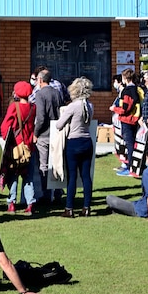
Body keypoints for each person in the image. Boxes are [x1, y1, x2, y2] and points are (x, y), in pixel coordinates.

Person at [56, 76, 95, 217]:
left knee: (72, 176)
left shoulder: (72, 106)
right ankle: (86, 207)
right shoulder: (90, 105)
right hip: (87, 142)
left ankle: (69, 208)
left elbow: (59, 125)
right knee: (86, 176)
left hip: (73, 142)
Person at [0, 81, 37, 214]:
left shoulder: (14, 107)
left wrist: (6, 138)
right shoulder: (33, 107)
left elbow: (5, 126)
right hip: (29, 147)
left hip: (16, 146)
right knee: (28, 177)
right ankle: (30, 204)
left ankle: (12, 203)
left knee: (13, 175)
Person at [33, 69, 63, 201]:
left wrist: (36, 133)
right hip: (56, 131)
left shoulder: (40, 94)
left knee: (43, 165)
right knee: (56, 163)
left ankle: (46, 194)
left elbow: (40, 117)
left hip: (44, 133)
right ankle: (57, 191)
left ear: (40, 80)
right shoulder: (57, 92)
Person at [111, 68, 140, 177]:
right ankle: (130, 166)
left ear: (125, 78)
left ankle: (130, 168)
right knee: (130, 143)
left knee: (129, 144)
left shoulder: (128, 91)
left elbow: (125, 108)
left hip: (127, 120)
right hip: (132, 119)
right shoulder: (136, 89)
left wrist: (114, 109)